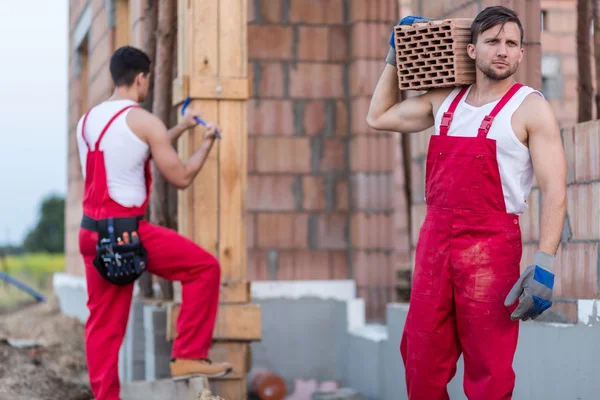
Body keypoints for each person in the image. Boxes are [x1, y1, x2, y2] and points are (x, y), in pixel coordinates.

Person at [367, 6, 567, 400]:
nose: (503, 51)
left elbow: (555, 188)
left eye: (512, 43)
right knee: (421, 362)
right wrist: (395, 56)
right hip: (435, 246)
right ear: (472, 49)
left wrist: (544, 261)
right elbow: (379, 117)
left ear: (521, 54)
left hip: (490, 250)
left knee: (489, 370)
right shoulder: (444, 100)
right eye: (493, 41)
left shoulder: (530, 108)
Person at [77, 46, 232, 400]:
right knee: (204, 269)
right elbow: (180, 176)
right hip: (127, 233)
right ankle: (189, 356)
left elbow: (137, 147)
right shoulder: (145, 121)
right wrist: (207, 143)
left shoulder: (88, 120)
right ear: (142, 78)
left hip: (91, 233)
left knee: (102, 325)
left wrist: (180, 127)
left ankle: (105, 397)